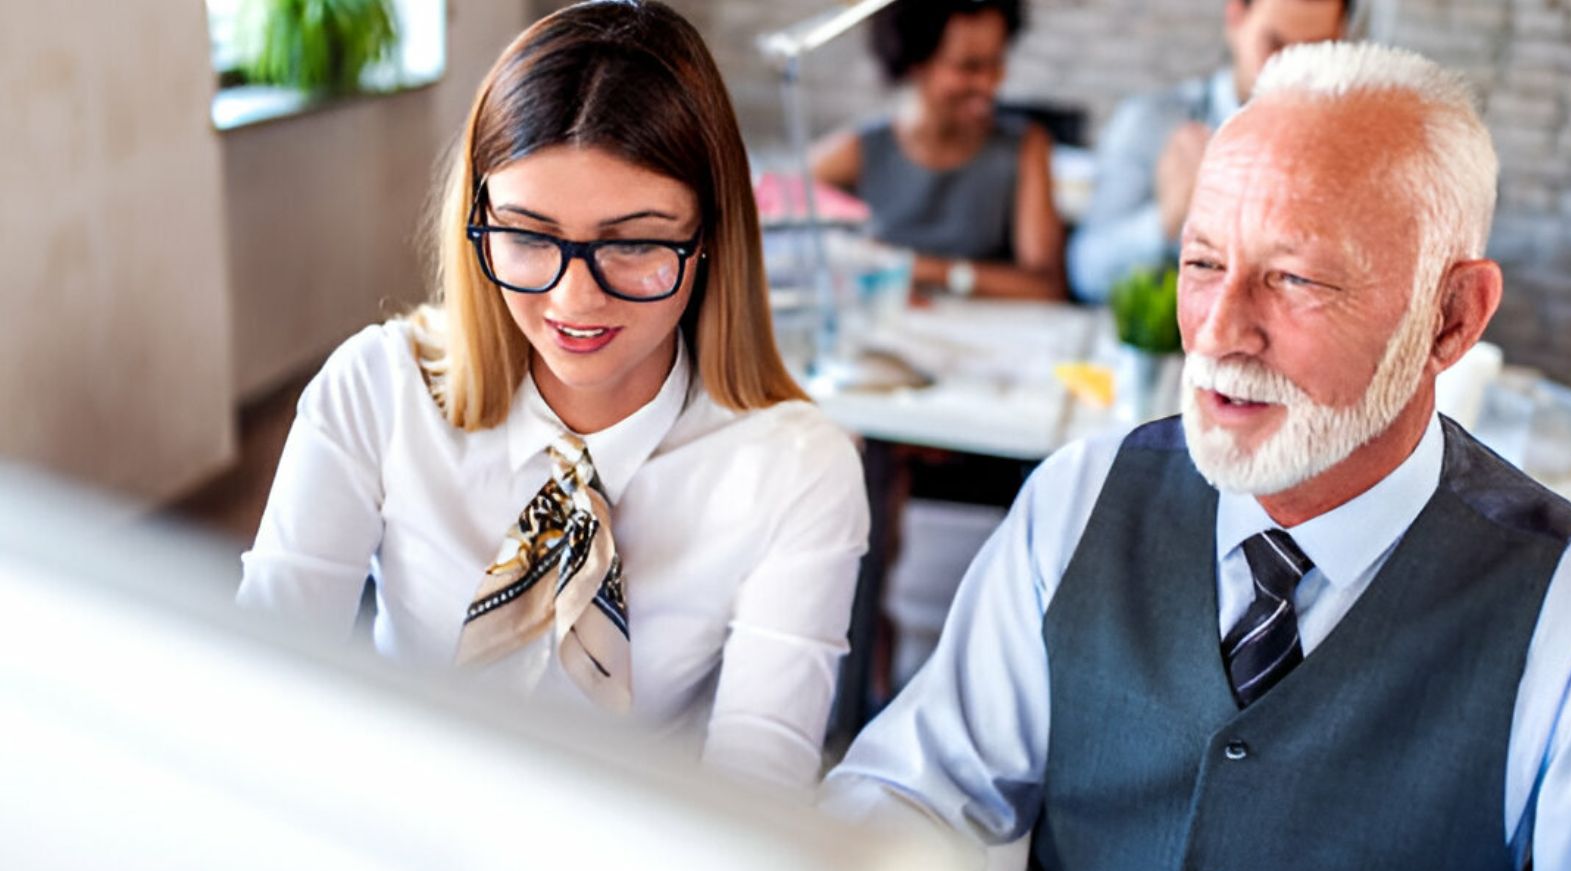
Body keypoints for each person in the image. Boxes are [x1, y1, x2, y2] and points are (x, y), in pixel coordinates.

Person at [823, 41, 1571, 871]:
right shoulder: (1079, 499)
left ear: (1453, 318)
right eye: (1203, 261)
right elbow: (916, 786)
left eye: (1294, 278)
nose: (1217, 330)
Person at [238, 0, 869, 790]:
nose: (574, 301)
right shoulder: (378, 389)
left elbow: (758, 789)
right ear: (478, 223)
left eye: (634, 242)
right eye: (530, 236)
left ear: (709, 238)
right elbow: (262, 685)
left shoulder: (796, 469)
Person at [1066, 0, 1349, 303]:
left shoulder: (1351, 149)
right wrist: (1169, 217)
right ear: (1236, 17)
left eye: (1314, 51)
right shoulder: (1152, 121)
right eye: (1275, 44)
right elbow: (1087, 274)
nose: (1293, 72)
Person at [810, 0, 1065, 301]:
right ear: (915, 63)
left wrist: (914, 269)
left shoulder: (1025, 147)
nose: (988, 85)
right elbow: (771, 221)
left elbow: (1046, 287)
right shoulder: (859, 150)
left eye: (996, 63)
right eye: (968, 67)